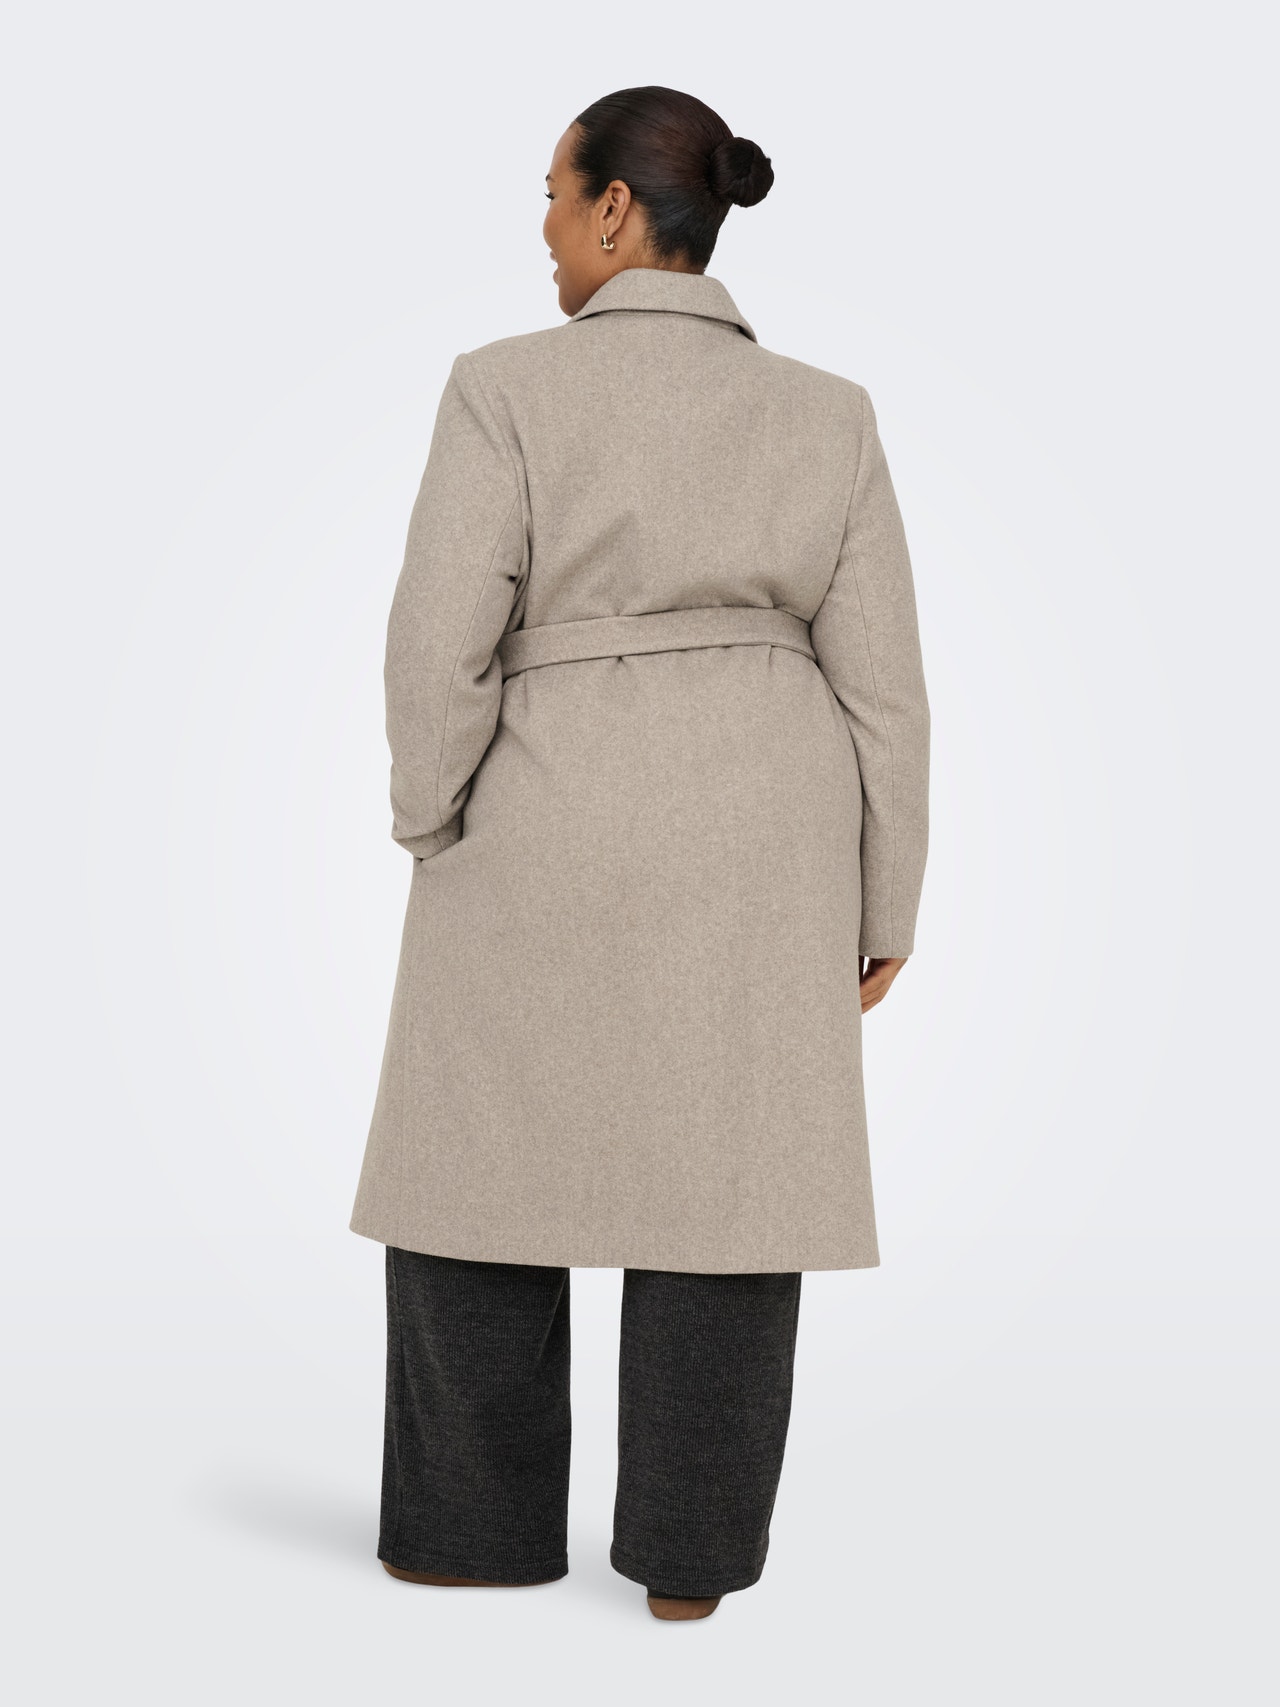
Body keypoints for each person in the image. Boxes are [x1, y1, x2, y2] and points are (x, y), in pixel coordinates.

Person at [349, 85, 930, 1622]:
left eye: (555, 195)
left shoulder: (503, 387)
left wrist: (431, 814)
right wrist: (886, 898)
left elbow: (437, 637)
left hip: (546, 804)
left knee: (480, 1162)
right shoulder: (829, 412)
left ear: (616, 210)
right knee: (729, 1185)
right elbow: (885, 687)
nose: (545, 227)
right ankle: (688, 1565)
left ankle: (467, 1532)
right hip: (766, 834)